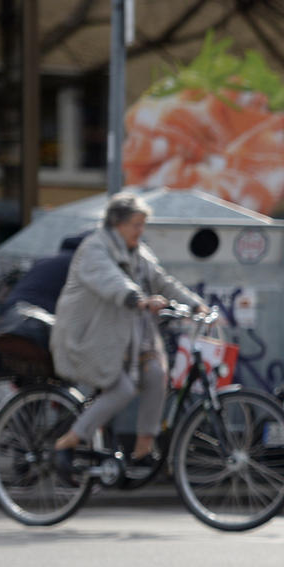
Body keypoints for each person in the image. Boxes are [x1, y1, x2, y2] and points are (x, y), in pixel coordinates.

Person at [50, 193, 206, 472]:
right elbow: (112, 281)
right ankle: (70, 441)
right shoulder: (94, 249)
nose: (140, 231)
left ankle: (144, 447)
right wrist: (140, 299)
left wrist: (196, 304)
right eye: (136, 224)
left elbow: (162, 281)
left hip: (126, 341)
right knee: (122, 389)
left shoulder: (139, 253)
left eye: (143, 224)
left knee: (157, 375)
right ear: (116, 224)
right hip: (89, 339)